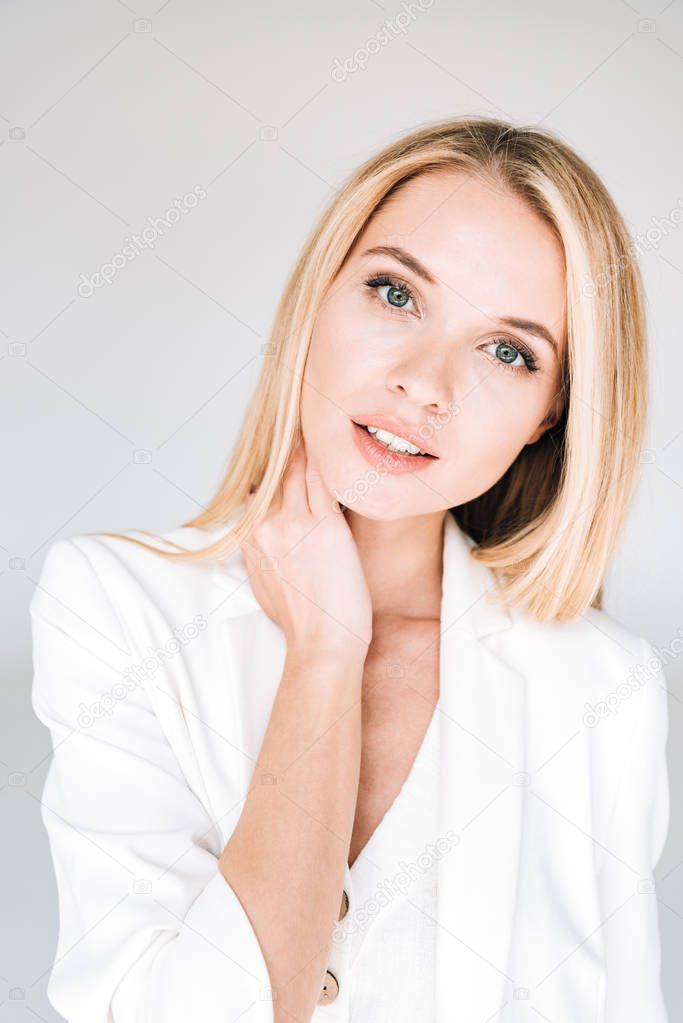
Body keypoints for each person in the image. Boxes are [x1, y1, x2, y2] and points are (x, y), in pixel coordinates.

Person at [30, 116, 670, 1022]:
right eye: (396, 294)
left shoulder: (603, 684)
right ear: (318, 296)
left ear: (548, 416)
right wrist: (324, 656)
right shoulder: (112, 605)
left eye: (507, 351)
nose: (424, 383)